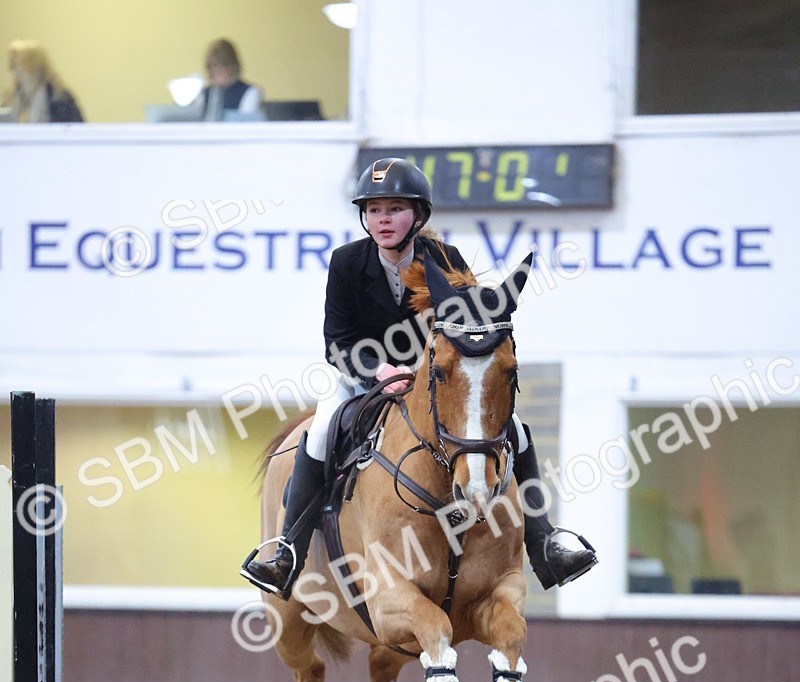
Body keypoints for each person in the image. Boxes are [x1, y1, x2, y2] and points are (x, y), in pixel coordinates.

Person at [241, 157, 598, 598]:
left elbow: (471, 329)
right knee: (318, 433)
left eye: (394, 209)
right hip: (362, 379)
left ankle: (544, 542)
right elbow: (337, 339)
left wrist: (433, 370)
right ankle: (287, 551)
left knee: (517, 430)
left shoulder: (445, 259)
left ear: (418, 215)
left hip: (434, 382)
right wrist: (380, 371)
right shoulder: (347, 262)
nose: (383, 219)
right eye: (373, 210)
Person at [5, 41, 83, 123]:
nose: (10, 70)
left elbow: (77, 131)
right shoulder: (11, 97)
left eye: (15, 65)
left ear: (32, 66)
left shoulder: (60, 98)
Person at [197, 39, 262, 121]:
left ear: (233, 67)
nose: (216, 71)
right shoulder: (204, 94)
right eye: (212, 66)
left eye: (222, 65)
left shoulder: (250, 92)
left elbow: (245, 125)